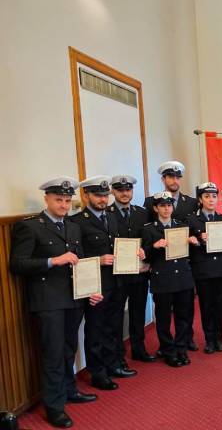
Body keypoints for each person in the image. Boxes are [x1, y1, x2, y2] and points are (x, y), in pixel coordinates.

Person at [10, 177, 102, 428]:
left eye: (66, 200)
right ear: (47, 200)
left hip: (73, 297)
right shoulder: (29, 227)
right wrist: (54, 261)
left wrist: (91, 290)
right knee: (52, 354)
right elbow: (17, 264)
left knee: (69, 348)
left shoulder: (72, 227)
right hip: (48, 300)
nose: (63, 204)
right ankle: (54, 406)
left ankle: (70, 390)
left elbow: (80, 262)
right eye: (58, 200)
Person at [70, 176, 138, 392]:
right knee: (96, 328)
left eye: (104, 195)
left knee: (115, 325)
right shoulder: (78, 222)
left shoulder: (113, 216)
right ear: (86, 195)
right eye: (97, 195)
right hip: (95, 284)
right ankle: (98, 372)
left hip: (117, 280)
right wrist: (98, 260)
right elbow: (75, 256)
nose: (102, 199)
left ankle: (114, 363)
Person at [142, 160, 199, 352]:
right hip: (162, 274)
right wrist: (152, 248)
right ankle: (167, 348)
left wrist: (195, 239)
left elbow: (194, 230)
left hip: (183, 272)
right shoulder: (149, 227)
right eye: (162, 206)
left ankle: (182, 345)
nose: (166, 208)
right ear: (156, 208)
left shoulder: (186, 212)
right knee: (164, 316)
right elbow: (145, 247)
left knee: (185, 313)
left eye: (169, 205)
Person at [108, 175, 155, 364]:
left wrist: (148, 254)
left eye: (128, 190)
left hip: (139, 272)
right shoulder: (108, 213)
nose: (125, 193)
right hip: (117, 274)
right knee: (116, 315)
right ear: (113, 192)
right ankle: (118, 354)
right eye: (120, 190)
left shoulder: (142, 213)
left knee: (138, 312)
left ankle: (139, 349)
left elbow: (150, 239)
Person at [188, 182, 222, 354]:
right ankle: (209, 339)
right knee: (206, 305)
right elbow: (188, 244)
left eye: (214, 196)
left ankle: (219, 337)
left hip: (220, 268)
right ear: (200, 199)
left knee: (220, 304)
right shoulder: (192, 219)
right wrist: (199, 238)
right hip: (202, 269)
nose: (211, 200)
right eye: (207, 196)